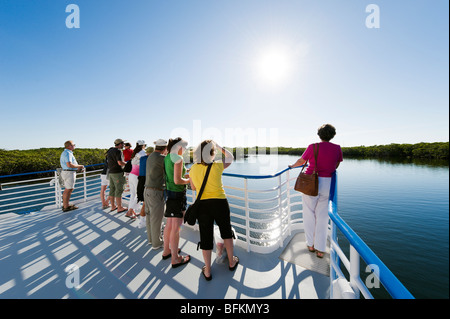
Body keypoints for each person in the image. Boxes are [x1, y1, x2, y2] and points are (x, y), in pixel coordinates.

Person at [289, 124, 343, 258]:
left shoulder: (313, 146)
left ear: (319, 135)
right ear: (332, 135)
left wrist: (291, 166)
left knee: (308, 214)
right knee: (323, 217)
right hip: (327, 183)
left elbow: (302, 161)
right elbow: (337, 163)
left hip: (310, 182)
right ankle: (320, 249)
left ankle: (310, 244)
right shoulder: (337, 148)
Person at [189, 140, 239, 280]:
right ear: (212, 153)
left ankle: (208, 271)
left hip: (203, 205)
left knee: (205, 236)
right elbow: (230, 157)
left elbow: (193, 188)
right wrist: (219, 146)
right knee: (226, 232)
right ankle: (231, 262)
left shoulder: (193, 168)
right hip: (220, 203)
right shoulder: (217, 165)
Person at [163, 137, 191, 268]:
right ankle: (175, 258)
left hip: (169, 193)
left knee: (169, 224)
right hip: (178, 194)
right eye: (184, 147)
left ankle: (166, 251)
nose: (185, 151)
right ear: (179, 147)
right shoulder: (178, 159)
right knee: (176, 228)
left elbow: (172, 175)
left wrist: (184, 174)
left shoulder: (168, 157)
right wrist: (189, 181)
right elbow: (177, 180)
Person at [143, 139, 167, 247]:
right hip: (155, 192)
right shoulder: (162, 158)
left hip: (147, 190)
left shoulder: (151, 156)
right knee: (156, 218)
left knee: (149, 216)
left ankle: (151, 240)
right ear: (165, 148)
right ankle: (157, 243)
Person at [60, 140, 84, 212]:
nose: (74, 146)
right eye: (74, 145)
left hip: (66, 172)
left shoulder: (65, 152)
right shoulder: (68, 153)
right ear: (69, 146)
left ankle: (65, 205)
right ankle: (66, 206)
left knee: (68, 189)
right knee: (69, 189)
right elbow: (69, 165)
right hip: (69, 173)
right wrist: (80, 166)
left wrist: (77, 168)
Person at [126, 140, 147, 219]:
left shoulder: (135, 153)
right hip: (137, 176)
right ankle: (130, 211)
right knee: (138, 194)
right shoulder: (142, 153)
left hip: (131, 175)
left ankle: (131, 211)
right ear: (143, 145)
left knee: (133, 194)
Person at [107, 138, 127, 213]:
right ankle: (120, 207)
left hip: (111, 172)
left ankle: (113, 206)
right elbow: (120, 163)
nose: (124, 145)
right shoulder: (118, 151)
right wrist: (127, 164)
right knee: (119, 190)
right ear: (120, 144)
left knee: (112, 189)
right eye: (123, 144)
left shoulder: (110, 150)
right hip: (117, 173)